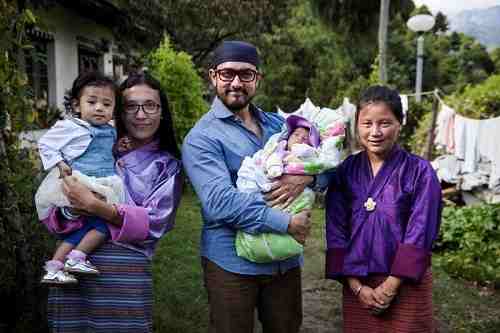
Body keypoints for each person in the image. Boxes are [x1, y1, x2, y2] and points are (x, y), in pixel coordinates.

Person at [182, 40, 328, 333]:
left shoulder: (281, 125)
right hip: (231, 265)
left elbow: (327, 169)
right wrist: (285, 222)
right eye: (227, 74)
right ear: (213, 77)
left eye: (246, 74)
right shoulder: (202, 137)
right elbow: (220, 202)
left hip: (283, 261)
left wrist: (307, 177)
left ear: (258, 78)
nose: (236, 82)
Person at [45, 71, 182, 332]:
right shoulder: (88, 146)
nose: (141, 114)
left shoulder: (167, 166)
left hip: (125, 276)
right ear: (119, 111)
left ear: (162, 111)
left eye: (150, 105)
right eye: (131, 106)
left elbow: (154, 224)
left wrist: (98, 207)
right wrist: (72, 210)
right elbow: (55, 212)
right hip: (71, 276)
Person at [325, 85, 442, 332]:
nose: (375, 132)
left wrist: (390, 286)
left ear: (400, 123)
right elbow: (336, 230)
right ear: (357, 124)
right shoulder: (346, 172)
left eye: (385, 123)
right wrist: (357, 287)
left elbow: (420, 231)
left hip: (406, 283)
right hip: (358, 283)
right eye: (367, 123)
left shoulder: (420, 172)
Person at [36, 72, 122, 284]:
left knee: (86, 227)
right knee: (105, 225)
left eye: (106, 104)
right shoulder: (71, 127)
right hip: (79, 181)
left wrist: (120, 147)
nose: (99, 108)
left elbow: (106, 153)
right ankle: (77, 257)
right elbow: (45, 144)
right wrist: (60, 162)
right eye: (92, 102)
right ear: (76, 105)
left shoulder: (110, 130)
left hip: (103, 183)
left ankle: (55, 266)